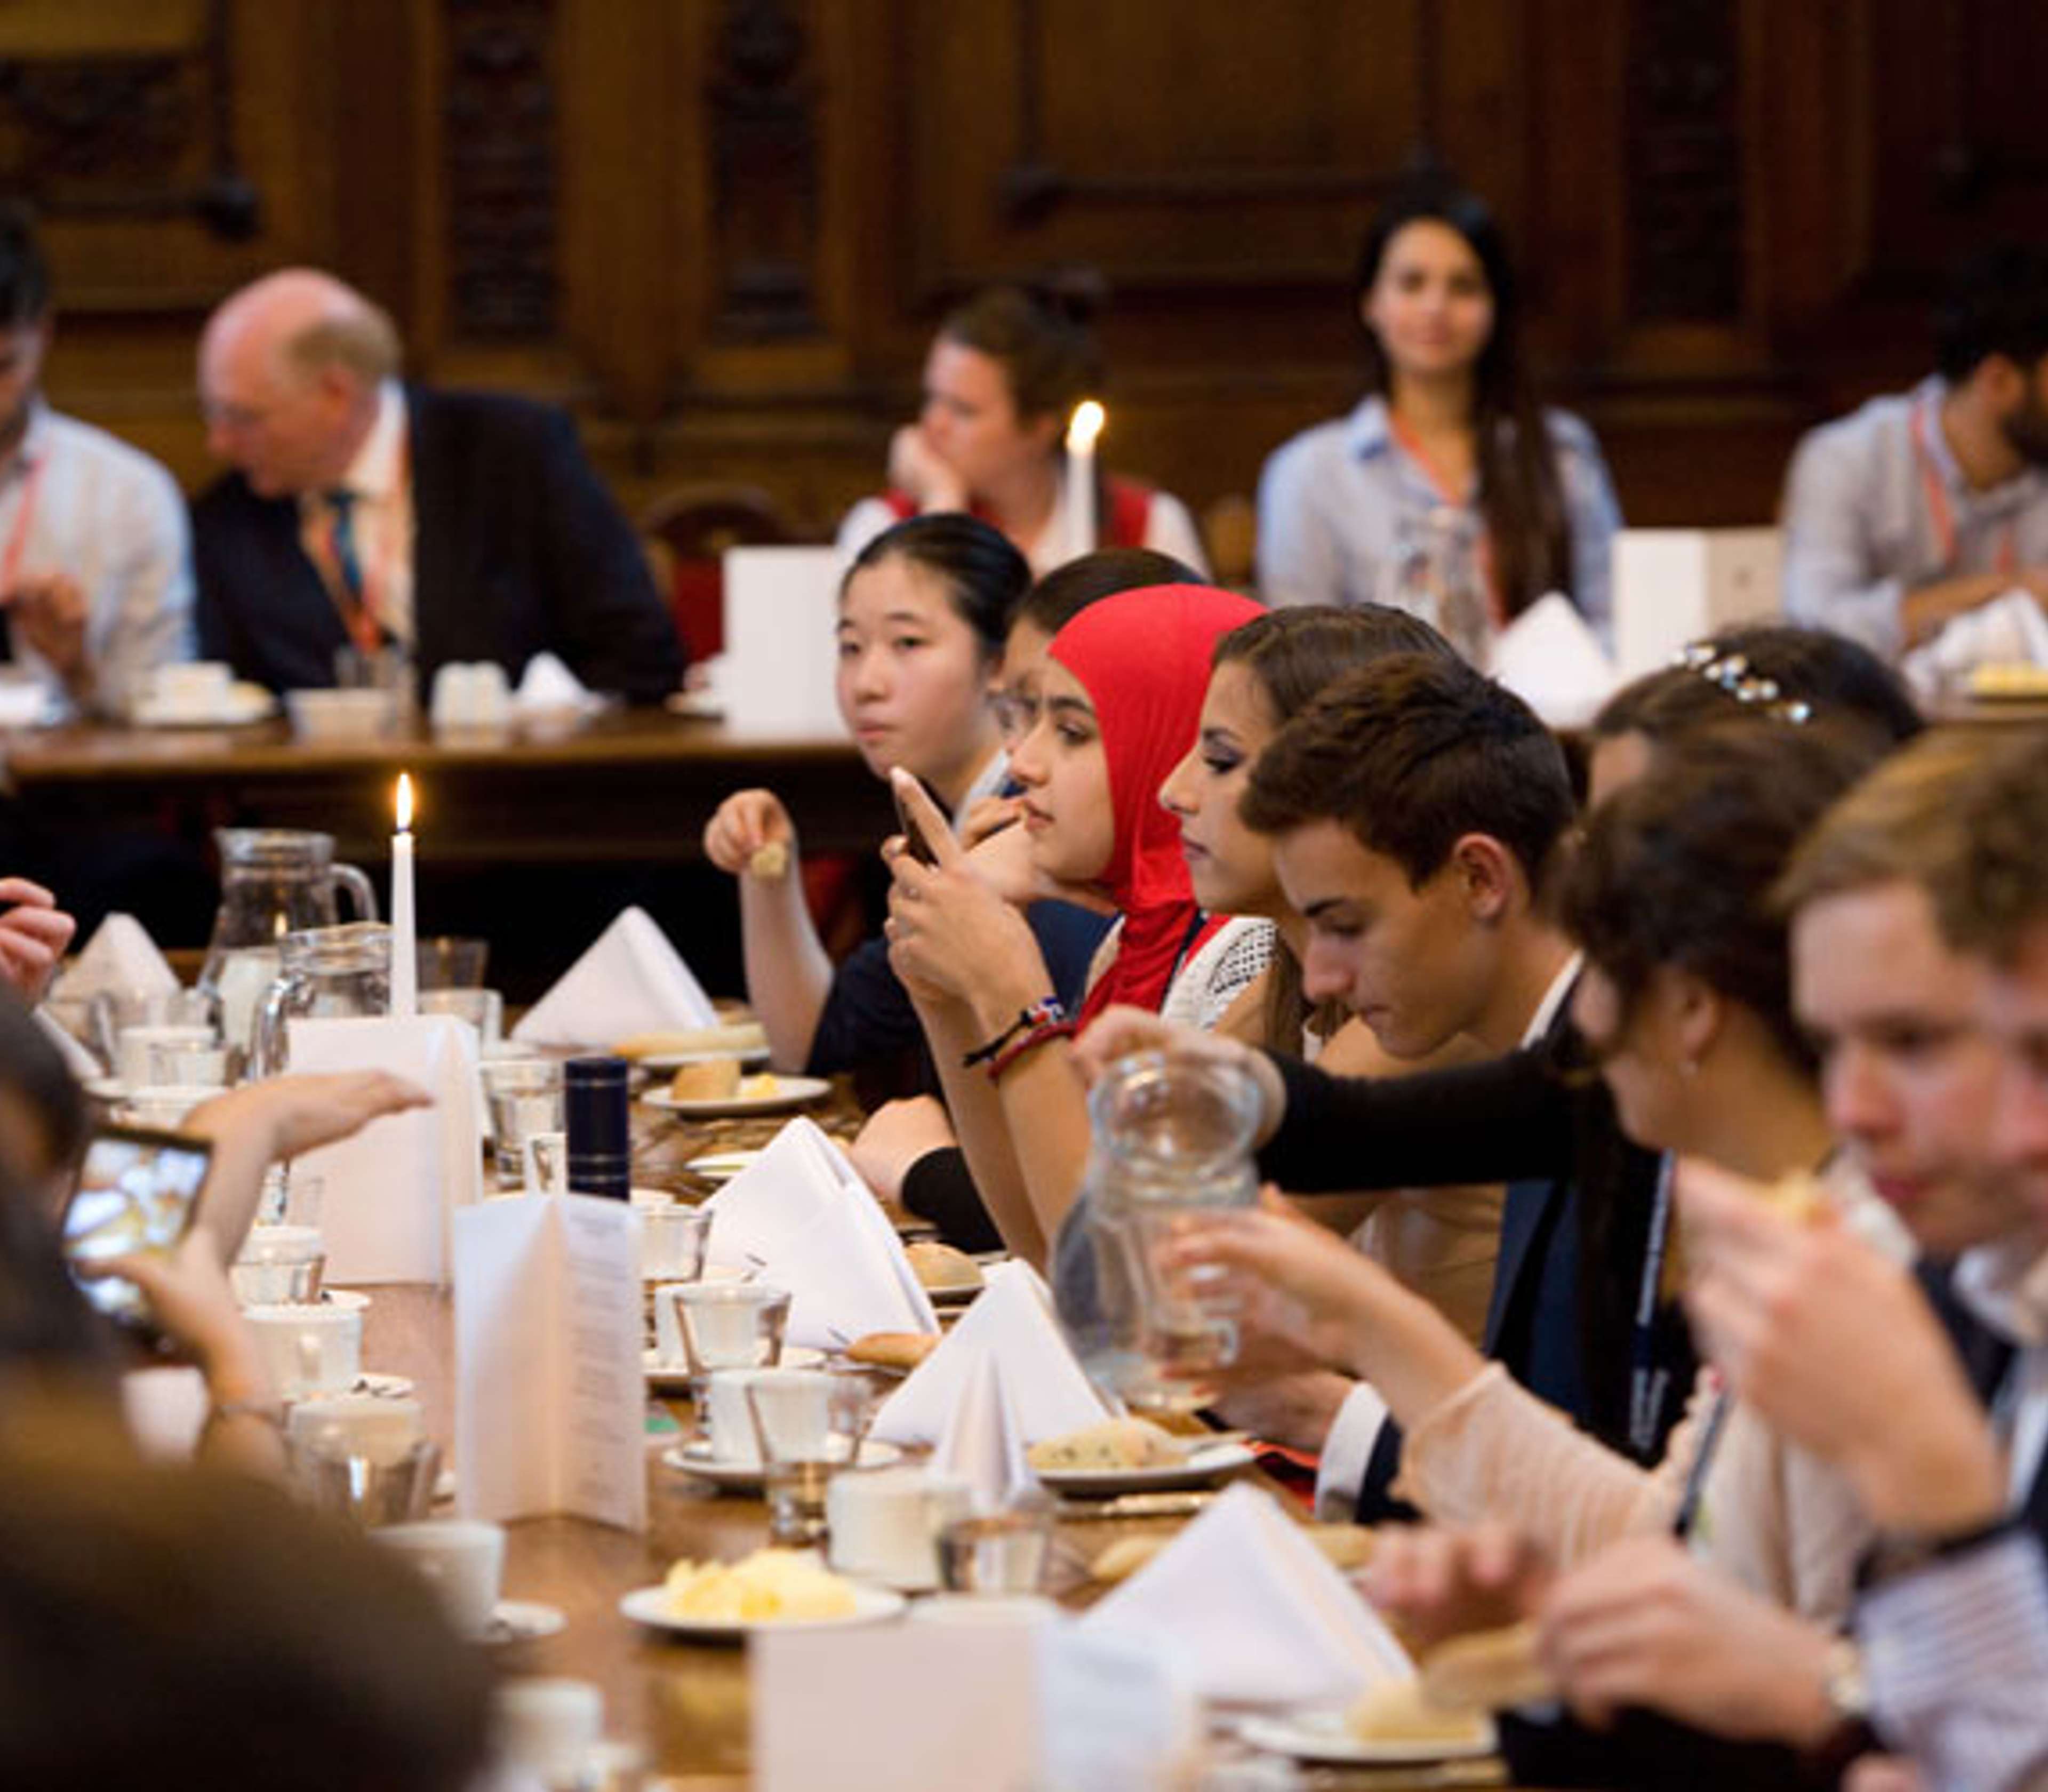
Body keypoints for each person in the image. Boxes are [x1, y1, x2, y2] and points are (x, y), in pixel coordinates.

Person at [1156, 722, 1901, 1626]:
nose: (1576, 1012)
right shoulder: (1771, 1201)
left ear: (1695, 999)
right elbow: (1675, 1540)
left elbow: (1796, 1645)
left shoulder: (1849, 1244)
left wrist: (1364, 1325)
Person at [882, 582, 1263, 1264]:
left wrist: (1007, 982)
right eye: (1028, 722)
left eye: (1073, 732)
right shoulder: (1137, 935)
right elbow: (1035, 1236)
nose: (1021, 763)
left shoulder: (1249, 952)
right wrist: (944, 992)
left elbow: (1111, 1272)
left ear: (1172, 742)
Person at [192, 268, 682, 700]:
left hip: (520, 786)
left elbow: (640, 655)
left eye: (243, 418)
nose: (220, 443)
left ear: (336, 395)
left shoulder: (513, 454)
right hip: (317, 797)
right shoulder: (228, 519)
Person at [1256, 178, 1620, 649]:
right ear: (1372, 303)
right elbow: (1297, 659)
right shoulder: (1309, 472)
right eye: (1412, 283)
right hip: (1375, 719)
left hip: (1546, 716)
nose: (1436, 307)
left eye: (1463, 286)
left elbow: (1612, 617)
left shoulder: (1561, 452)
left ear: (1495, 306)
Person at [1782, 239, 2048, 660]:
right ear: (1999, 381)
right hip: (1884, 721)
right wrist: (2008, 589)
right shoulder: (1847, 458)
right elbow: (1815, 626)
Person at [837, 284, 1209, 579]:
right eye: (932, 398)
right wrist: (943, 502)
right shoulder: (883, 527)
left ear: (1041, 427)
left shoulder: (1147, 525)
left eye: (963, 410)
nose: (933, 423)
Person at [0, 205, 193, 719]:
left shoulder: (128, 491)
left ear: (42, 334)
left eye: (3, 367)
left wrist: (76, 667)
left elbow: (166, 717)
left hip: (66, 791)